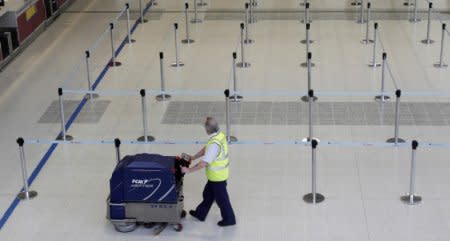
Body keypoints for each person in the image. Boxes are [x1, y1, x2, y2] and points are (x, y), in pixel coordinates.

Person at [181, 117, 236, 227]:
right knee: (207, 194)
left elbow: (204, 163)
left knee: (222, 200)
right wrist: (193, 157)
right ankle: (200, 213)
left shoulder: (214, 144)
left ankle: (229, 219)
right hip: (217, 175)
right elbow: (206, 148)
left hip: (217, 177)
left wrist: (188, 170)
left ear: (207, 129)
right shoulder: (219, 136)